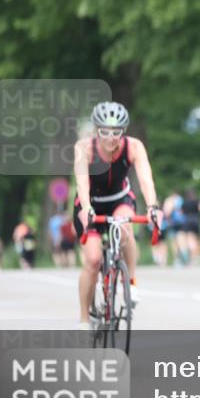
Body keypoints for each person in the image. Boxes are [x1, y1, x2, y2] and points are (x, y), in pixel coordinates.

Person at [74, 101, 163, 325]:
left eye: (117, 132)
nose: (111, 138)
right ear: (97, 130)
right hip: (91, 204)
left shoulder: (134, 147)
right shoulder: (84, 148)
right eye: (105, 132)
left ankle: (130, 283)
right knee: (93, 260)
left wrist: (152, 206)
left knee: (125, 231)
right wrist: (86, 209)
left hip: (118, 199)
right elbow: (82, 183)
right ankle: (85, 319)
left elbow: (145, 179)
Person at [179, 189, 200, 264]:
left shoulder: (184, 203)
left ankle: (191, 257)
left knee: (190, 240)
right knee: (196, 240)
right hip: (196, 221)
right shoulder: (197, 201)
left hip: (187, 221)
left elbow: (180, 213)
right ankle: (195, 257)